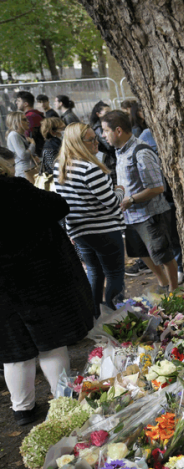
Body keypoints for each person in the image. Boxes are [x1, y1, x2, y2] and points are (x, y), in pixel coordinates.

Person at [0, 156, 94, 425]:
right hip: (38, 281)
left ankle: (22, 409)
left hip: (3, 292)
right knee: (51, 344)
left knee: (14, 351)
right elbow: (58, 206)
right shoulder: (14, 188)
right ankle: (64, 402)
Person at [100, 111, 180, 291]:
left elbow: (158, 188)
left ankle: (174, 292)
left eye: (105, 130)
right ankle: (162, 284)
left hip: (150, 215)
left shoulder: (141, 151)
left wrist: (132, 199)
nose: (103, 135)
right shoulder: (120, 151)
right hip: (130, 216)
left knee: (163, 255)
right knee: (140, 252)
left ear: (118, 130)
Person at [53, 122, 126, 316]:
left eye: (96, 137)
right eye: (91, 140)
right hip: (104, 229)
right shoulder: (89, 168)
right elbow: (111, 203)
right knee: (115, 274)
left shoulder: (60, 167)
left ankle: (95, 315)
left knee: (94, 272)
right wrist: (119, 191)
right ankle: (115, 317)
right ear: (77, 143)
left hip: (80, 229)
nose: (97, 142)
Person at [5, 111, 37, 182]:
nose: (28, 122)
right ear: (16, 122)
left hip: (27, 170)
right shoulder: (14, 135)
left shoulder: (19, 135)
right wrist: (32, 144)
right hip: (24, 172)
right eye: (24, 120)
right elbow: (23, 155)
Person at [15, 90, 44, 155]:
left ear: (26, 103)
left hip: (36, 152)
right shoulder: (36, 114)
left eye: (19, 101)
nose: (16, 103)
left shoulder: (29, 116)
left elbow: (28, 136)